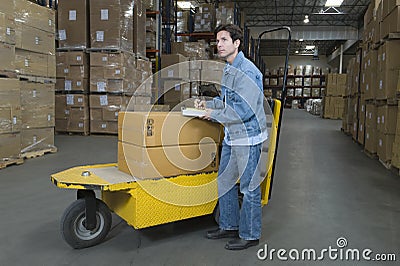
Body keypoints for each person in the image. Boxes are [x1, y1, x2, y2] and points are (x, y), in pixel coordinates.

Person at [195, 24, 268, 250]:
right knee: (225, 180)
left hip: (247, 138)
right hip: (232, 136)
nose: (219, 45)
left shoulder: (247, 71)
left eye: (224, 40)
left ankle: (250, 234)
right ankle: (229, 224)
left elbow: (243, 110)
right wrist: (208, 104)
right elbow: (229, 102)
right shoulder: (229, 68)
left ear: (237, 43)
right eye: (217, 41)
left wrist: (214, 114)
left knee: (248, 188)